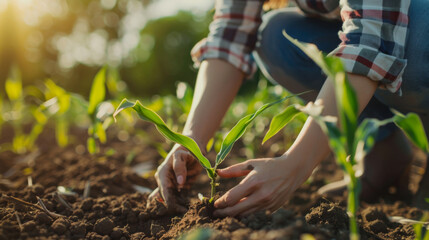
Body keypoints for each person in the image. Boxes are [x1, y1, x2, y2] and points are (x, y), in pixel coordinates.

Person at [148, 0, 429, 217]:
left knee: (415, 42)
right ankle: (385, 150)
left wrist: (296, 164)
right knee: (276, 36)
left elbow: (371, 41)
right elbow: (229, 37)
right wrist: (190, 142)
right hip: (376, 31)